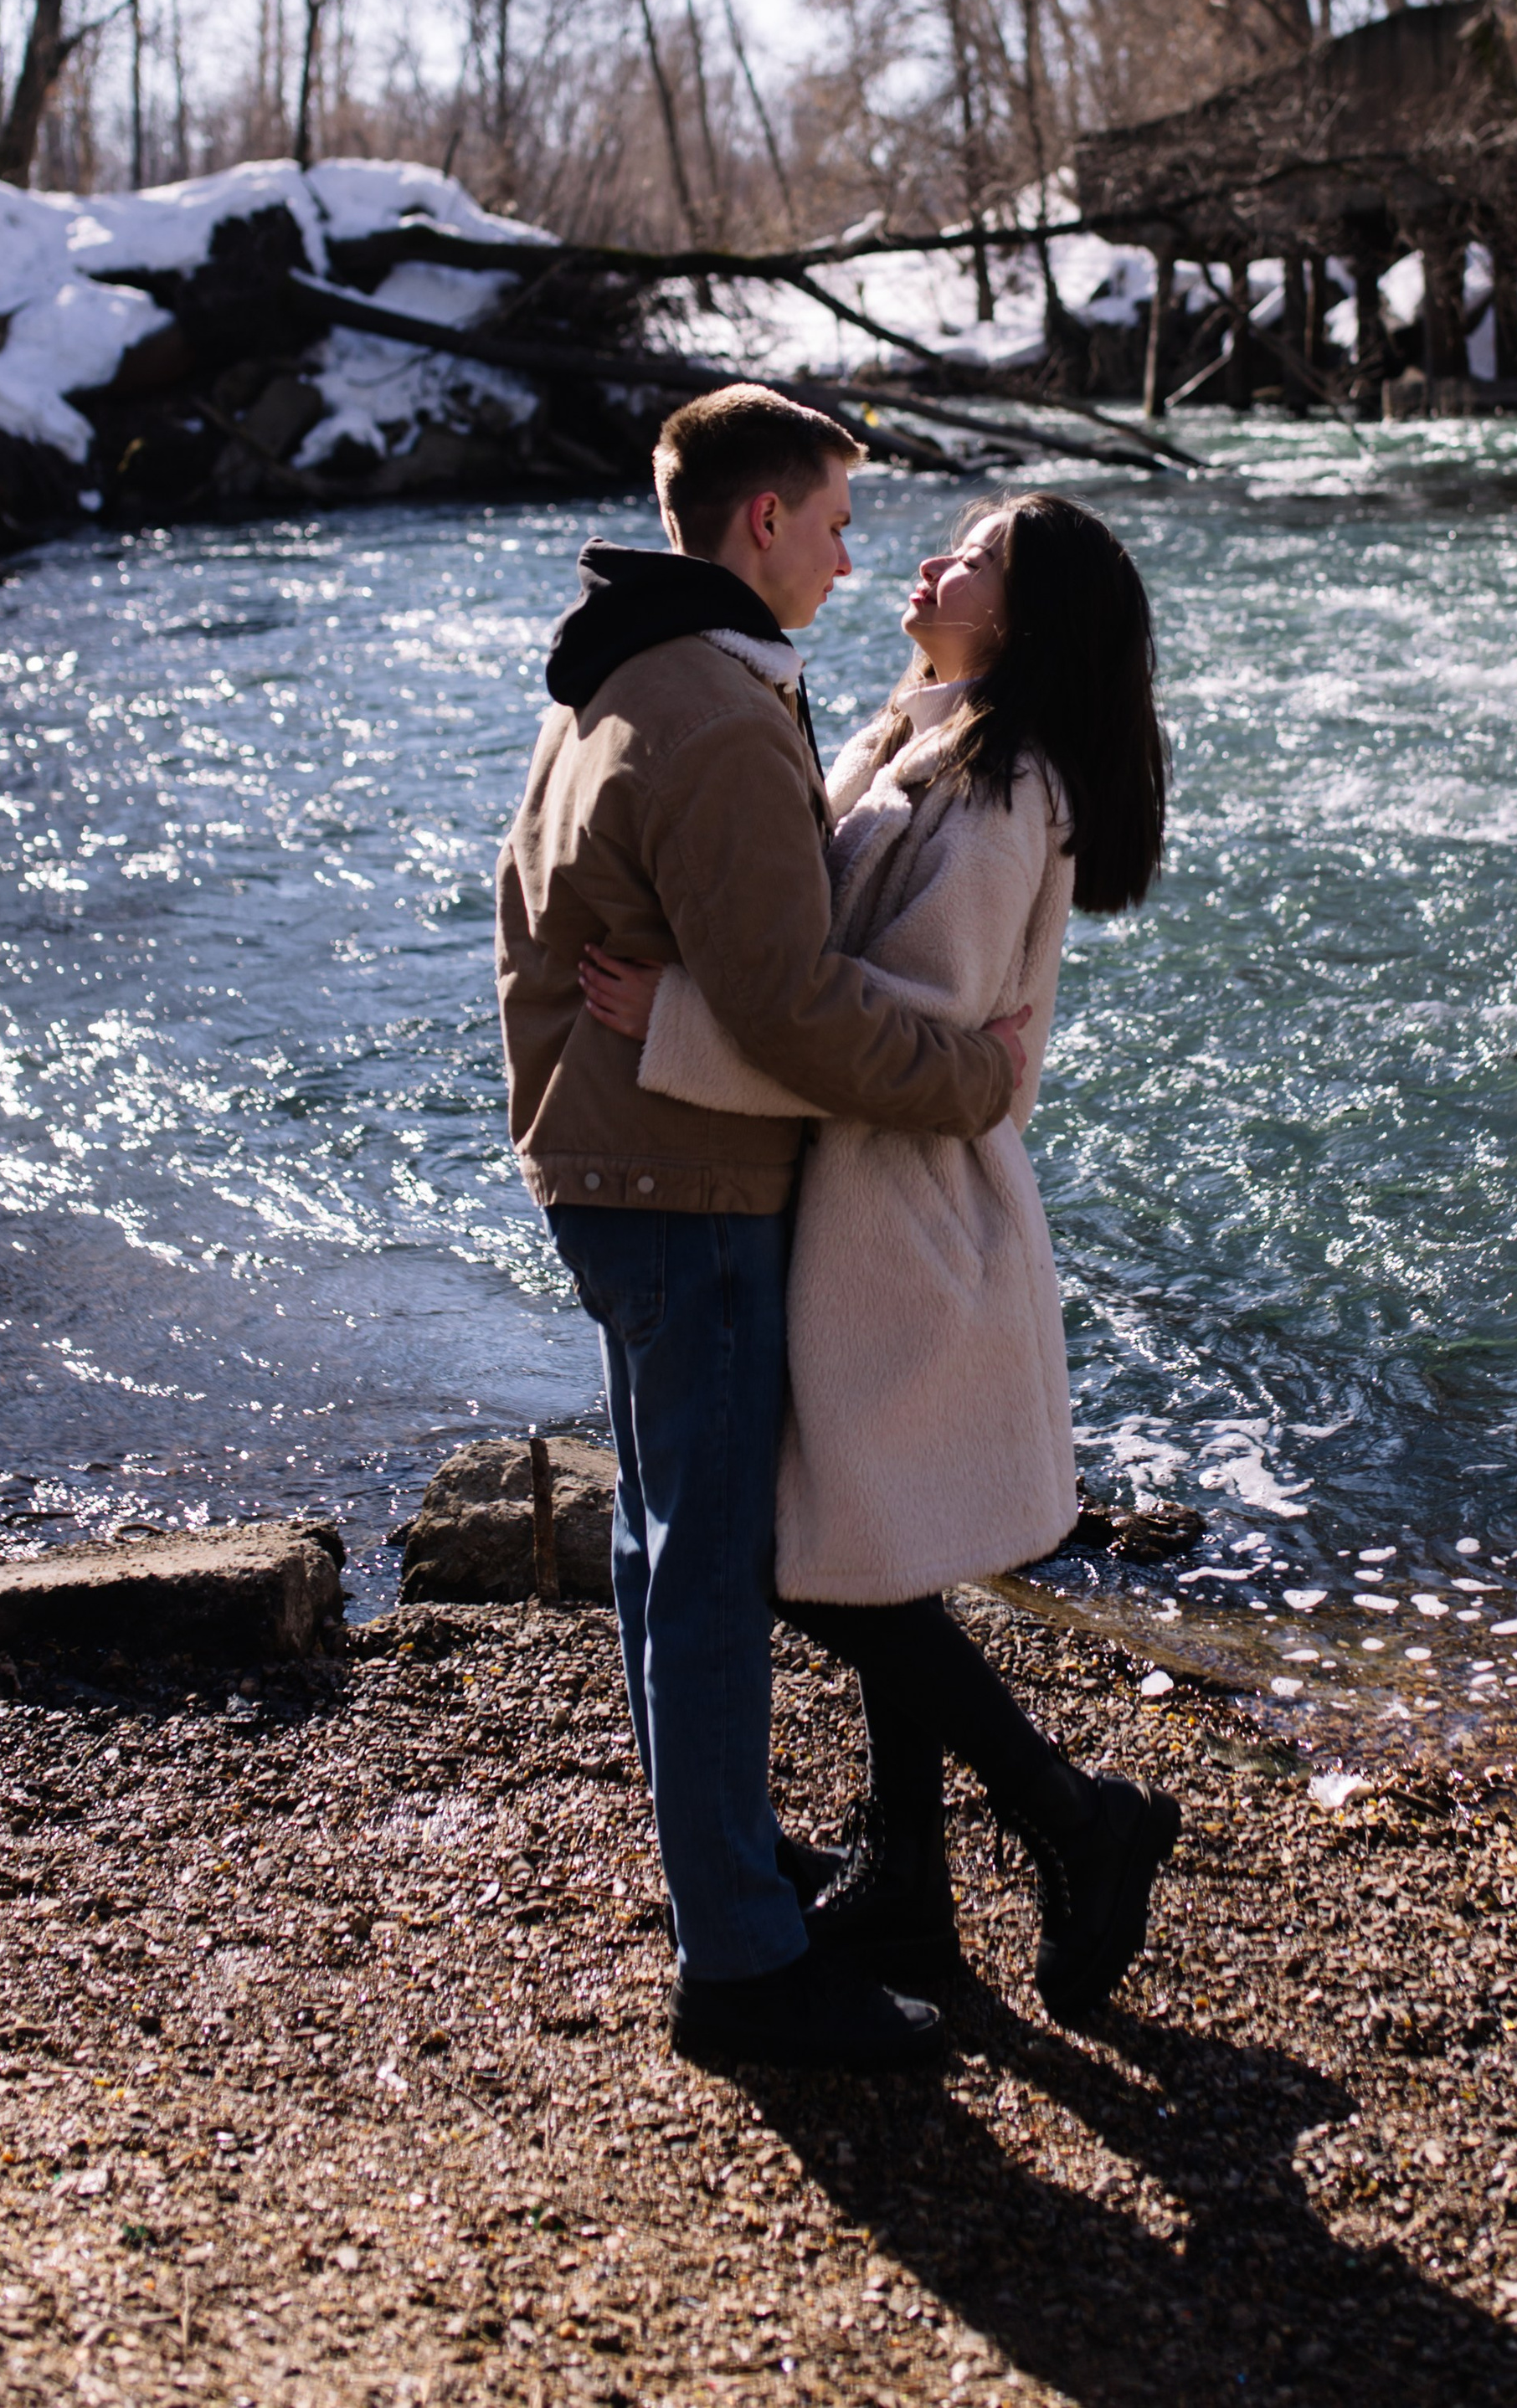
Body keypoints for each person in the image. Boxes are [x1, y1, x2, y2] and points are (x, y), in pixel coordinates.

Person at [579, 491, 1179, 2022]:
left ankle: (1072, 1816)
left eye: (973, 556)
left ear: (1028, 616)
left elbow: (901, 1038)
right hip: (858, 1198)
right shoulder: (923, 732)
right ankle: (908, 1876)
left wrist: (687, 1030)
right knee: (880, 1540)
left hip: (902, 1219)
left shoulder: (1001, 789)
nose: (928, 560)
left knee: (819, 1563)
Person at [494, 385, 1029, 2073]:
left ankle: (719, 1877)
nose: (854, 552)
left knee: (666, 1551)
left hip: (616, 1162)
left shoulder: (624, 664)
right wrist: (963, 1077)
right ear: (761, 523)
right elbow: (792, 1009)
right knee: (708, 1571)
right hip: (681, 1180)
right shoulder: (717, 715)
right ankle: (739, 1968)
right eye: (838, 516)